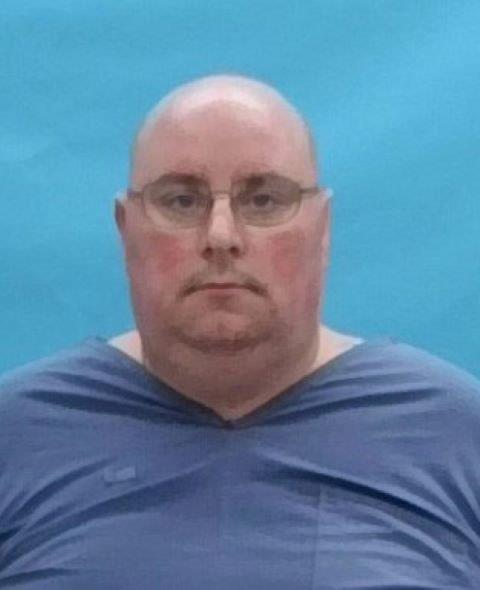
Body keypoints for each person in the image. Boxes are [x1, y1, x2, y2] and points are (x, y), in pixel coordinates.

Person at [0, 75, 479, 589]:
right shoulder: (17, 438)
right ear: (126, 229)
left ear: (322, 228)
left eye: (265, 200)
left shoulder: (458, 438)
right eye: (181, 201)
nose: (221, 236)